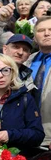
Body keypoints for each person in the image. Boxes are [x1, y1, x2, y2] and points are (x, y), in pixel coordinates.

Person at [23, 17, 51, 146]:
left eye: (50, 29)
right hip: (28, 135)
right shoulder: (27, 61)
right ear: (34, 37)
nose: (46, 33)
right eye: (41, 30)